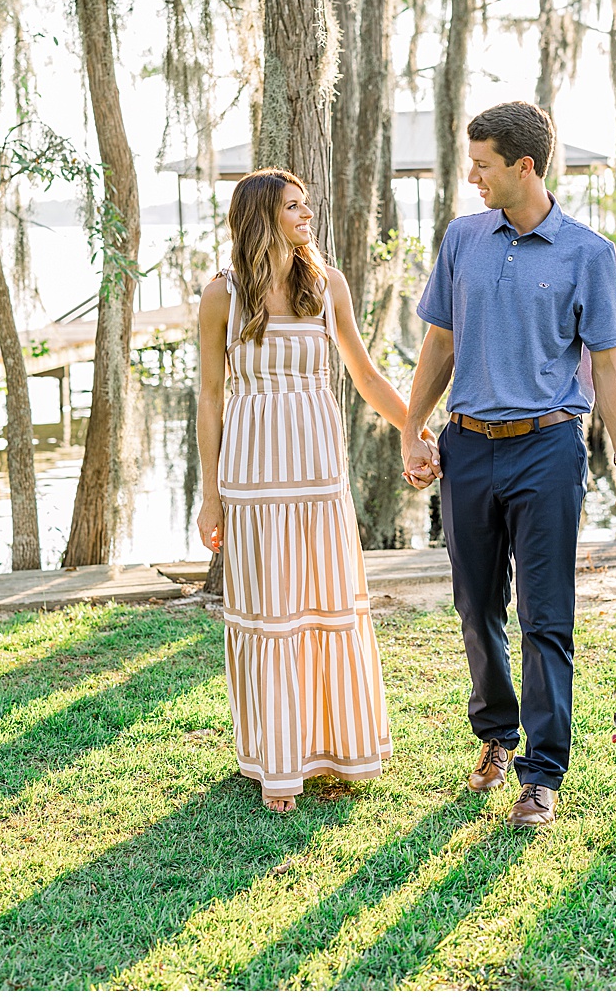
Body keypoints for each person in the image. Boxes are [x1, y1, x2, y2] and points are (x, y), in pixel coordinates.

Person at [402, 101, 616, 830]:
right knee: (477, 608)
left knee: (545, 617)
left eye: (482, 165)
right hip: (468, 444)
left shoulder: (587, 253)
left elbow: (608, 363)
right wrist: (414, 429)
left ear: (525, 166)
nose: (472, 177)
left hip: (548, 446)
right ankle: (495, 738)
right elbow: (439, 344)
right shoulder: (461, 239)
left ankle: (543, 774)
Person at [195, 169, 433, 813]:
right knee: (271, 615)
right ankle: (278, 762)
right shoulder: (223, 294)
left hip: (318, 474)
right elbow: (211, 398)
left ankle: (333, 750)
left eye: (307, 204)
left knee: (326, 607)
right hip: (250, 476)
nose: (307, 215)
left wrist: (415, 428)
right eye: (292, 207)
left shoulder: (326, 285)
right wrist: (210, 493)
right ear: (259, 217)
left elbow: (363, 372)